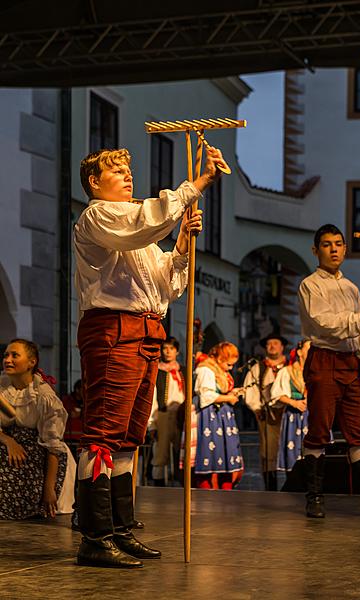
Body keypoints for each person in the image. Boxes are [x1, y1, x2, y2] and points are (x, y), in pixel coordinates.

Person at [74, 145, 225, 568]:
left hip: (145, 332)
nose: (127, 175)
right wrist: (191, 188)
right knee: (102, 433)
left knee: (127, 439)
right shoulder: (98, 216)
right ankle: (95, 535)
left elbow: (165, 287)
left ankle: (119, 529)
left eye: (128, 169)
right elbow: (141, 225)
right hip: (112, 331)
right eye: (116, 170)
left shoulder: (134, 230)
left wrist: (180, 245)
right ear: (93, 183)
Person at [298, 223, 360, 518]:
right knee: (319, 429)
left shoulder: (351, 287)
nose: (334, 249)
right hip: (324, 359)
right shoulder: (310, 285)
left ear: (344, 248)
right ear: (316, 250)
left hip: (349, 363)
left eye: (338, 244)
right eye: (327, 244)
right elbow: (324, 323)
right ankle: (314, 496)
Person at [0, 339, 75, 520]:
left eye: (14, 355)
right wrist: (9, 441)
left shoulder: (43, 396)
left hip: (39, 451)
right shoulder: (2, 388)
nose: (7, 360)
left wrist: (48, 490)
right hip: (6, 442)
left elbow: (52, 445)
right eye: (6, 355)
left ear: (31, 362)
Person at [194, 342, 244, 489]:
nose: (231, 368)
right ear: (220, 359)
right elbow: (206, 395)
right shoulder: (206, 369)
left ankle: (225, 484)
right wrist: (229, 398)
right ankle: (206, 486)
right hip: (210, 417)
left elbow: (217, 392)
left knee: (225, 450)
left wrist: (232, 393)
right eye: (229, 364)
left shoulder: (219, 371)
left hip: (222, 415)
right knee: (210, 451)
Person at [244, 333, 287, 490]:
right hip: (267, 414)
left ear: (282, 346)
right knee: (268, 451)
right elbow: (249, 390)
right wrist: (257, 408)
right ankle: (271, 487)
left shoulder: (291, 367)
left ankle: (294, 486)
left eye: (275, 342)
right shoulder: (258, 368)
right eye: (269, 344)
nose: (272, 346)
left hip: (289, 413)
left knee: (292, 447)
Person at [148, 336, 185, 486]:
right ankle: (158, 484)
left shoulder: (182, 371)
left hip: (180, 416)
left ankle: (179, 482)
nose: (168, 352)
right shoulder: (157, 371)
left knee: (181, 450)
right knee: (160, 453)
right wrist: (152, 424)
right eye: (165, 348)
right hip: (163, 414)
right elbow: (152, 399)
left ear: (177, 351)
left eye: (171, 349)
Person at [270, 340, 310, 474]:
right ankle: (294, 484)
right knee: (295, 453)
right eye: (308, 348)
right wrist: (295, 403)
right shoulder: (287, 371)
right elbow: (277, 394)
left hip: (314, 416)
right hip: (294, 416)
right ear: (299, 352)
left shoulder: (318, 371)